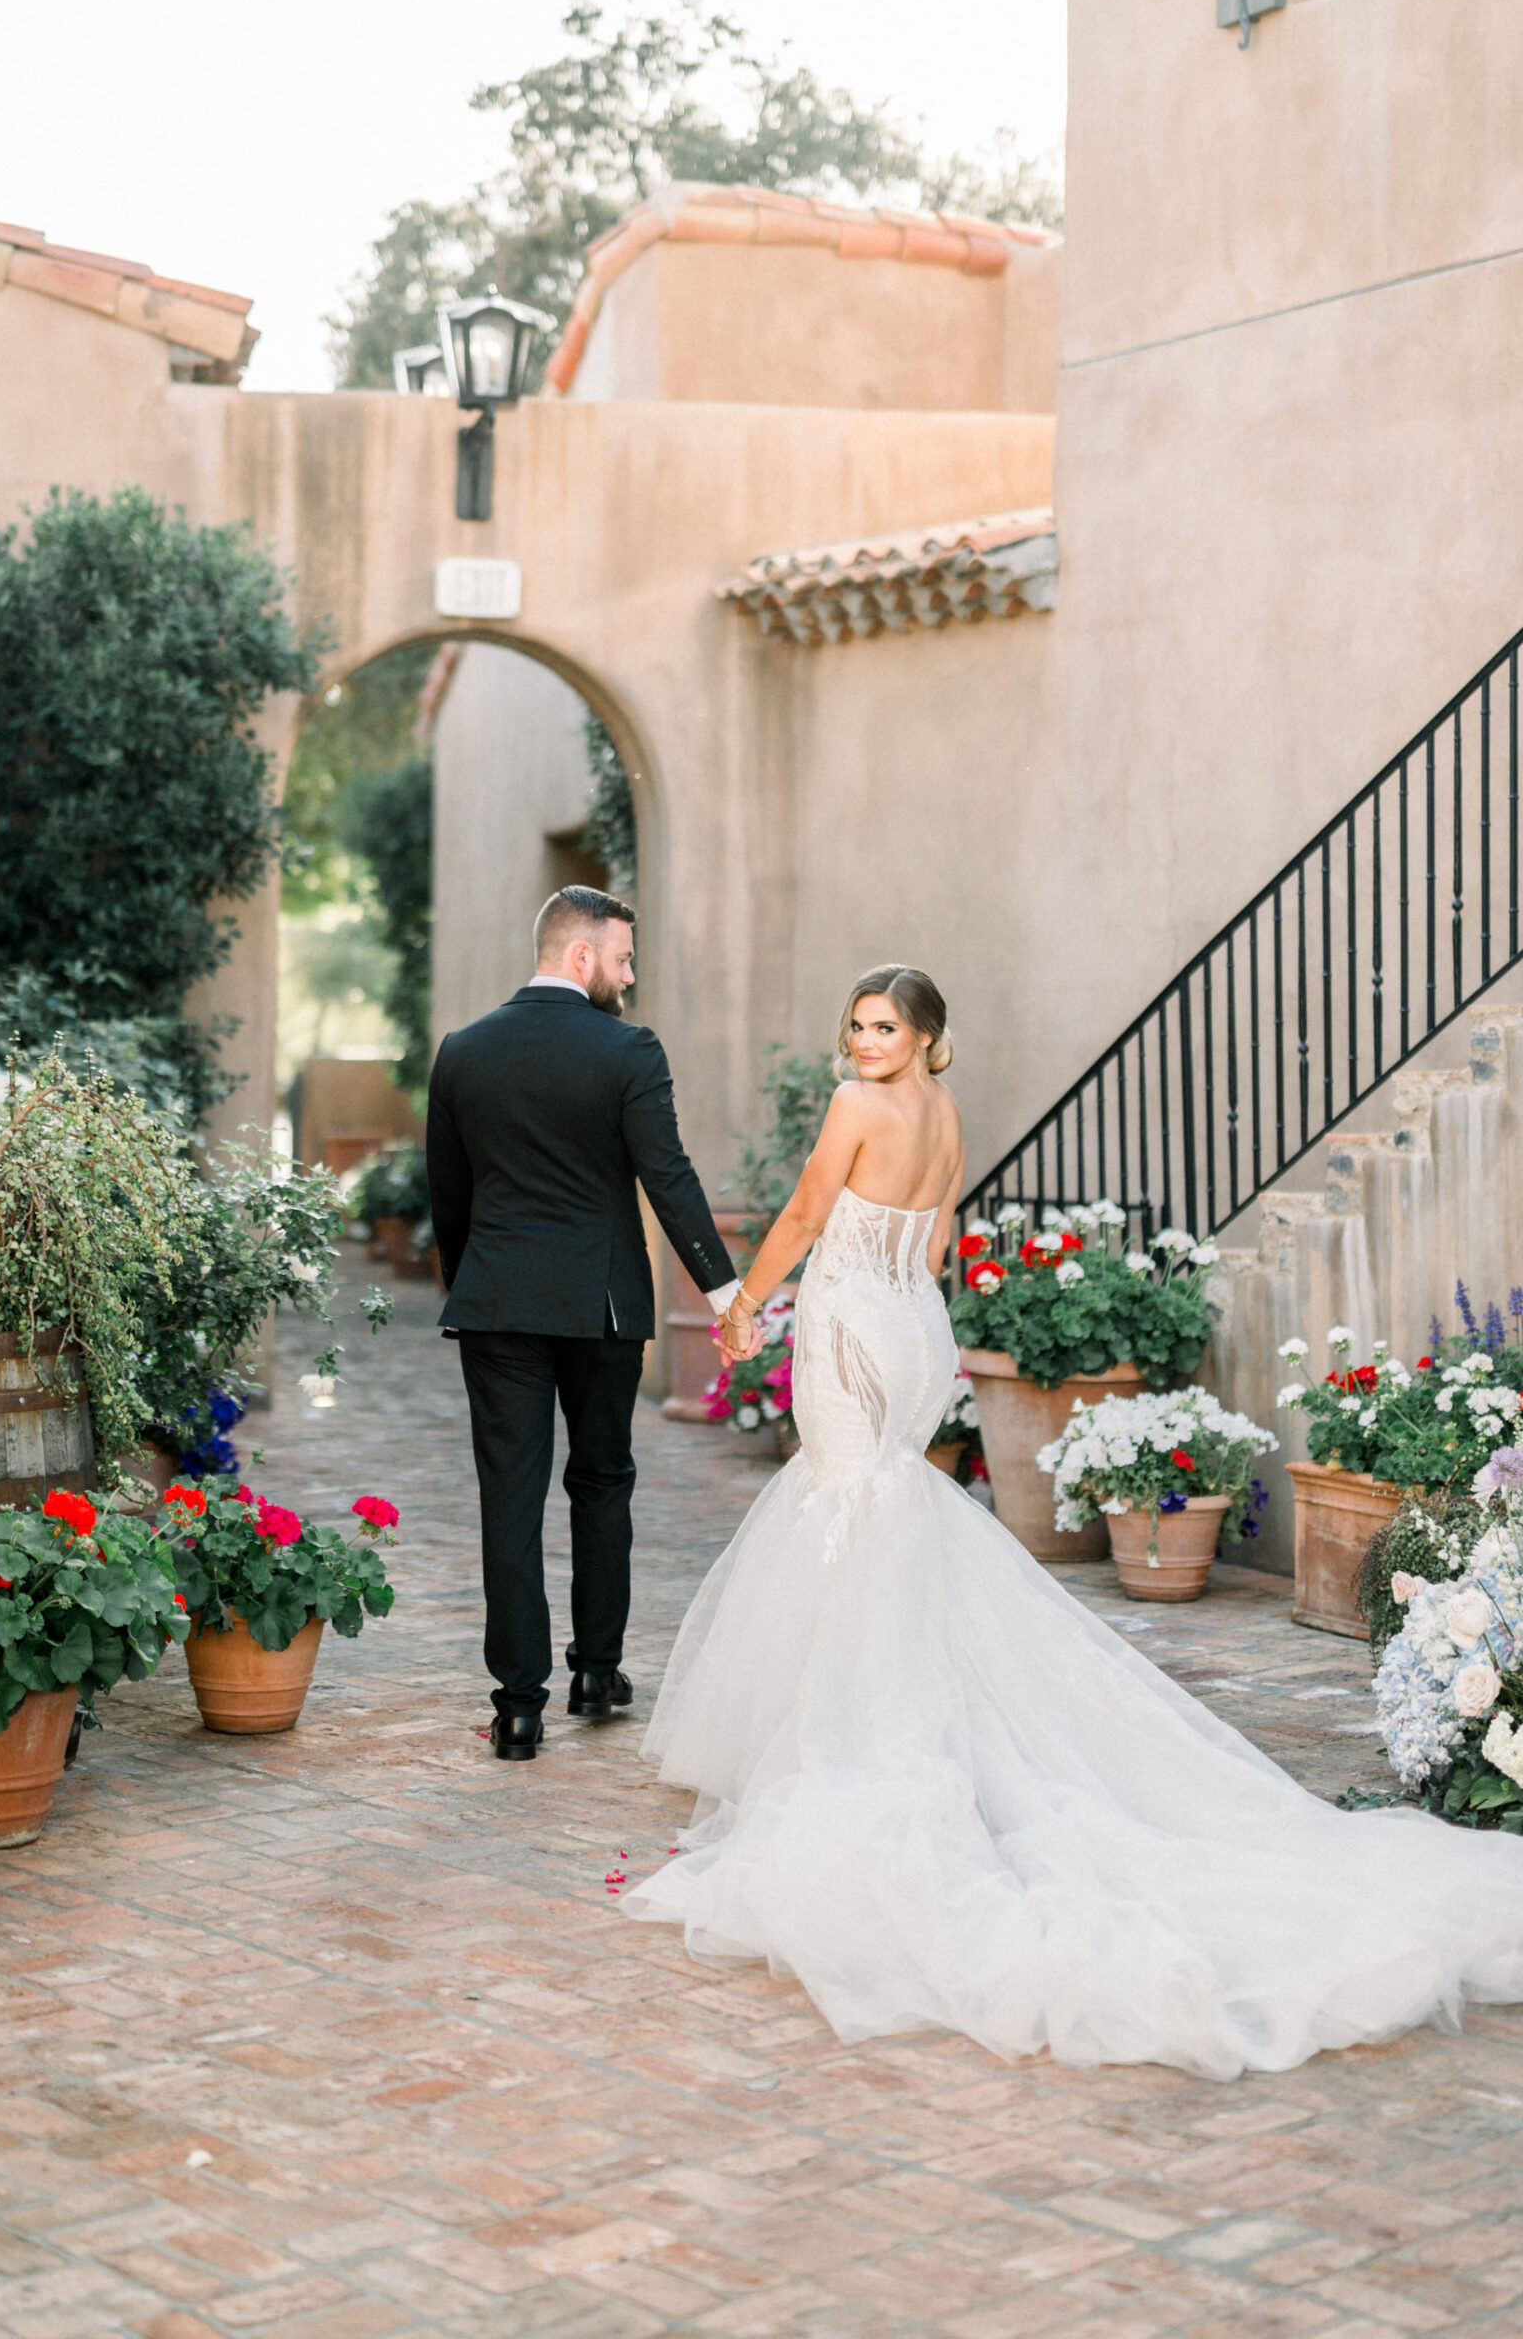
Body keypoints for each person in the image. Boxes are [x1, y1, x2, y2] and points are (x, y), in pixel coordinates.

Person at [623, 963, 1523, 2078]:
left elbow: (808, 1212)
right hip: (914, 1324)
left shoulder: (861, 1108)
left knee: (846, 1503)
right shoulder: (944, 1117)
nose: (862, 1043)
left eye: (884, 1027)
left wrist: (747, 1302)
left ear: (923, 1037)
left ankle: (849, 1725)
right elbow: (941, 1240)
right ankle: (875, 1697)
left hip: (856, 1316)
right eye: (854, 1026)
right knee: (882, 1501)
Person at [426, 885, 737, 1762]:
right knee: (601, 1483)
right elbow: (667, 1180)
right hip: (600, 1311)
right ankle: (597, 1673)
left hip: (497, 1307)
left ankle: (517, 1708)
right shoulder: (628, 1050)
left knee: (509, 1501)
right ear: (580, 956)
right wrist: (724, 1293)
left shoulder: (462, 1053)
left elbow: (449, 1198)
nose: (630, 976)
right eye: (624, 958)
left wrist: (476, 1283)